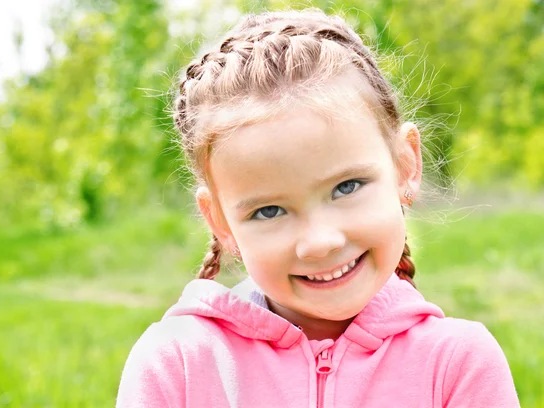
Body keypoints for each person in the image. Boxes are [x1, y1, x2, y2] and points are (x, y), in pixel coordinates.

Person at [116, 8, 519, 408]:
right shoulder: (178, 364)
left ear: (405, 166)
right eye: (269, 211)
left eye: (347, 187)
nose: (319, 242)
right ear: (220, 222)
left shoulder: (458, 364)